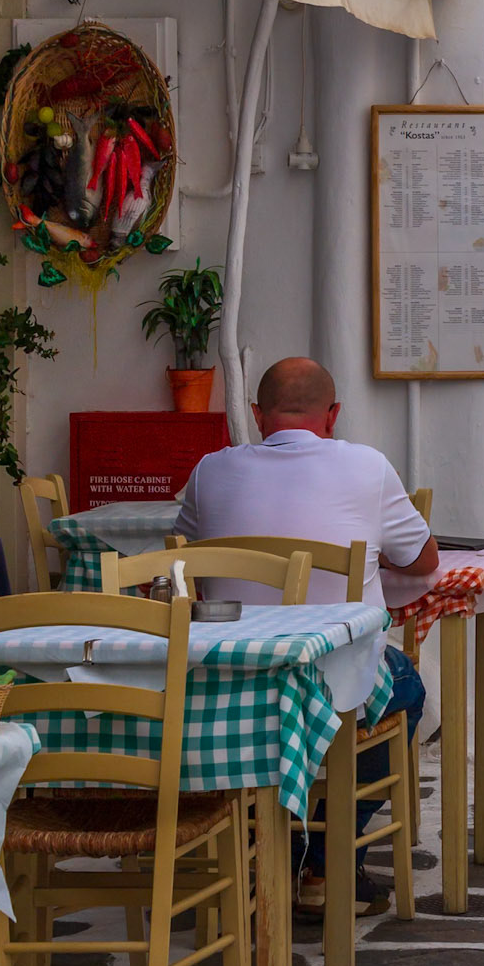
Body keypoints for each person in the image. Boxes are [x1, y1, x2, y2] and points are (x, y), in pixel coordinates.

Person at [176, 357, 440, 913]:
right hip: (333, 686)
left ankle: (257, 840)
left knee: (255, 710)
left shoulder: (209, 470)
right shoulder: (367, 467)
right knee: (408, 689)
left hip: (233, 687)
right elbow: (422, 563)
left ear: (256, 415)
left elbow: (185, 559)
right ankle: (321, 859)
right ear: (333, 414)